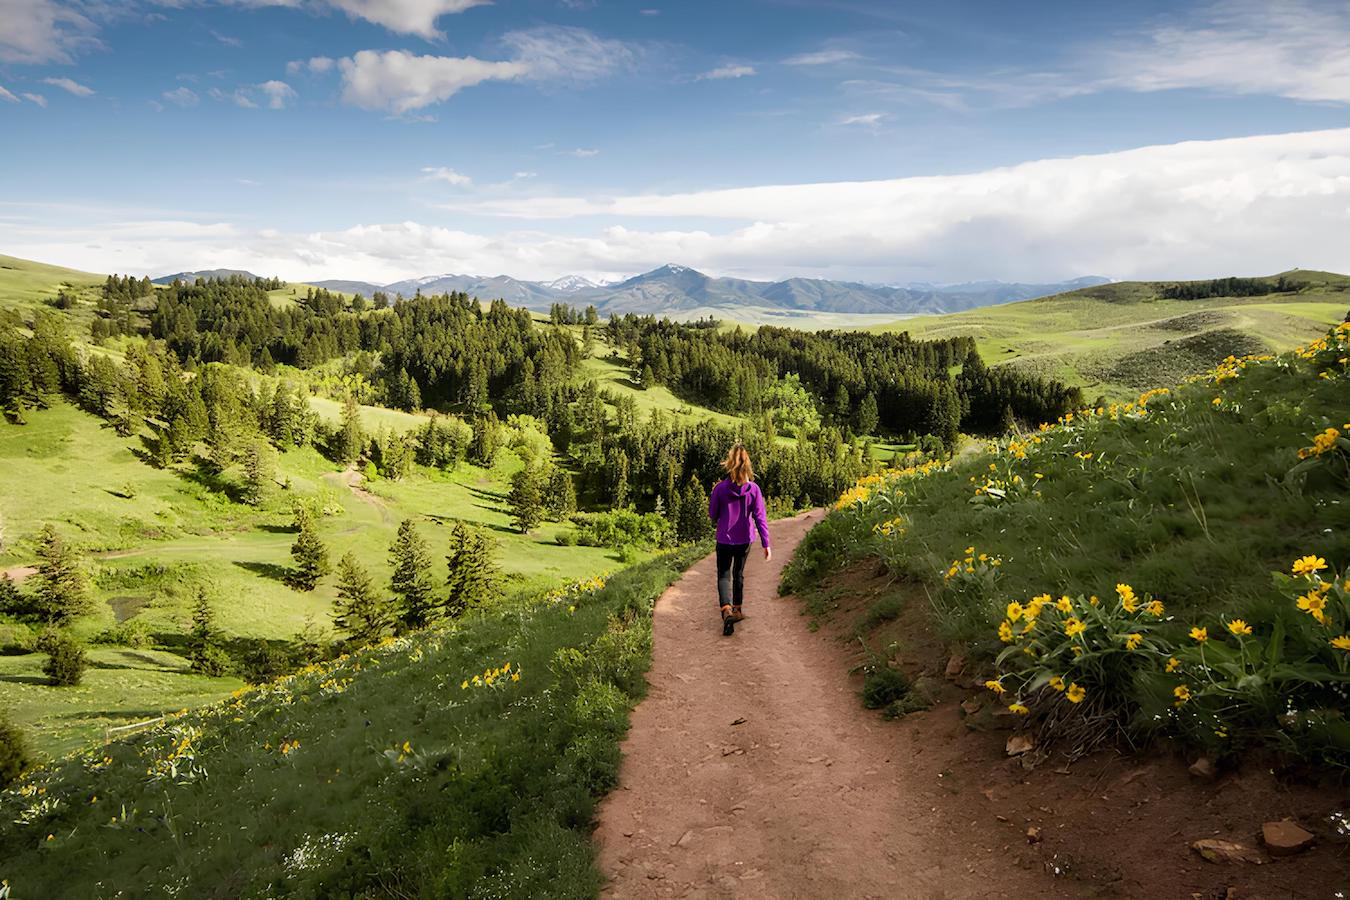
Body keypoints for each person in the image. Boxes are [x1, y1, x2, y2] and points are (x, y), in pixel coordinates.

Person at [708, 444, 771, 636]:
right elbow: (760, 517)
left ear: (729, 463)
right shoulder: (754, 489)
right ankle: (737, 610)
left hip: (724, 538)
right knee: (739, 573)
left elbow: (712, 514)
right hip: (745, 538)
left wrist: (720, 513)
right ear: (747, 464)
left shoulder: (719, 488)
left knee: (724, 574)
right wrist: (766, 543)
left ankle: (725, 610)